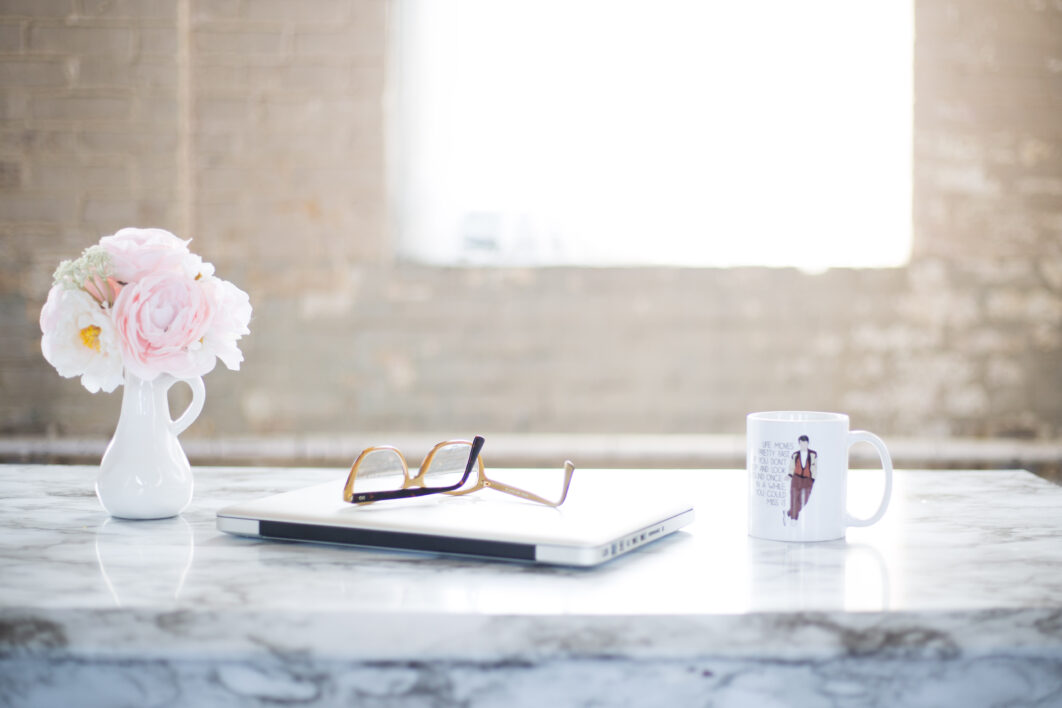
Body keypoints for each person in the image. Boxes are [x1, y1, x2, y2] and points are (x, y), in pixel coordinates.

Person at [786, 435, 817, 522]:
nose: (803, 445)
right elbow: (792, 466)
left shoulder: (813, 454)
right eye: (802, 443)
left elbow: (814, 467)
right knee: (794, 497)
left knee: (804, 499)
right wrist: (789, 475)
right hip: (796, 478)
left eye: (805, 443)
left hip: (808, 479)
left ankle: (789, 513)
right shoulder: (795, 455)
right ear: (799, 444)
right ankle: (793, 519)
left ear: (808, 443)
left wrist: (813, 478)